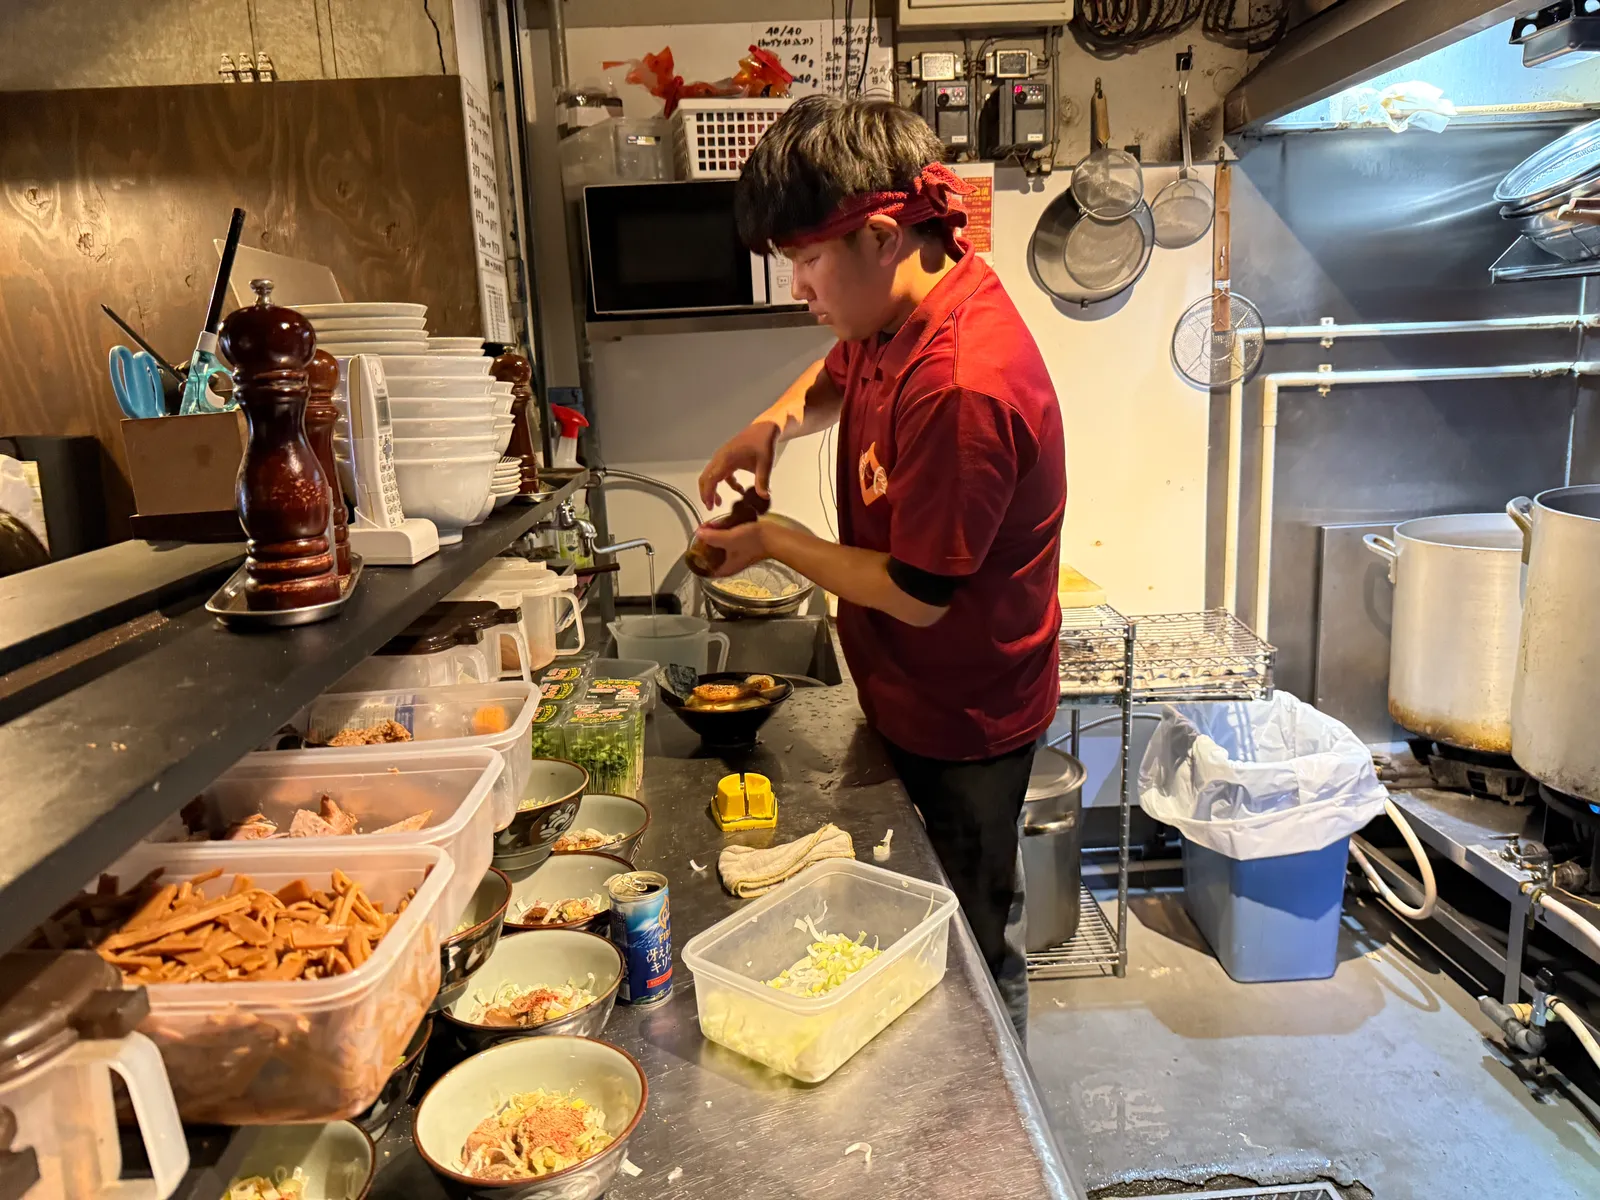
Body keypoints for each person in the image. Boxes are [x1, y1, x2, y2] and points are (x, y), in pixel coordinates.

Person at [695, 95, 1066, 1039]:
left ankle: (996, 1151)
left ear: (882, 234)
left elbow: (919, 594)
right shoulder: (902, 310)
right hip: (907, 690)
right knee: (924, 930)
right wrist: (769, 426)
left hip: (967, 712)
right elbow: (838, 366)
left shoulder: (960, 385)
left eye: (808, 260)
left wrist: (772, 540)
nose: (799, 288)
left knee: (976, 948)